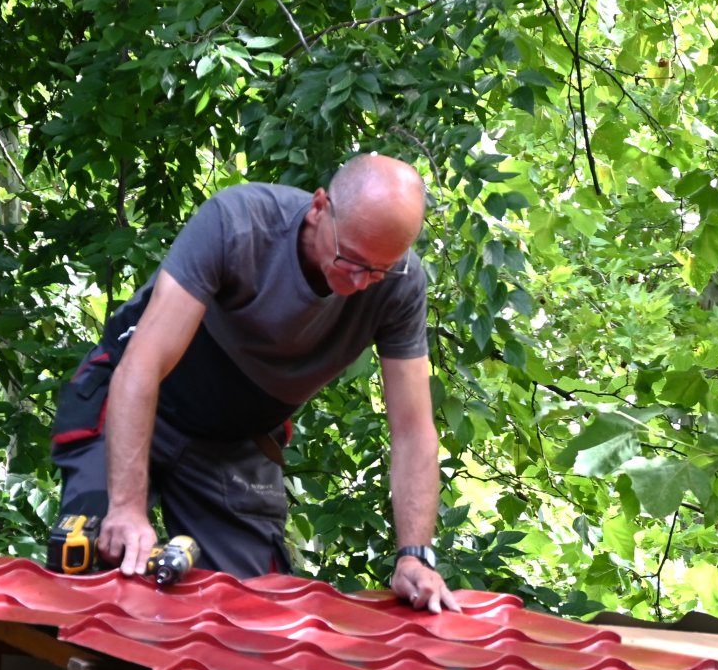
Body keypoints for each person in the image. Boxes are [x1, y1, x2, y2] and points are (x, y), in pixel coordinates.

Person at [50, 154, 459, 612]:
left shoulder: (400, 285)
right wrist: (125, 508)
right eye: (351, 260)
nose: (362, 282)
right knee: (92, 561)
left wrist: (415, 556)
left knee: (251, 612)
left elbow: (413, 430)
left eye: (380, 269)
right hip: (142, 400)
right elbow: (141, 368)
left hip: (235, 437)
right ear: (319, 208)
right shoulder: (240, 225)